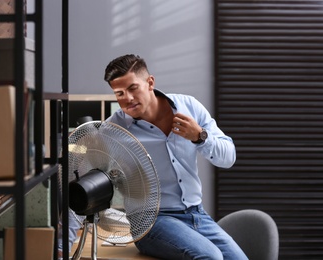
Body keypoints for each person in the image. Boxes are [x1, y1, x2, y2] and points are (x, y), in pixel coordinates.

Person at [104, 54, 248, 260]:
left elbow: (228, 157)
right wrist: (63, 241)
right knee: (211, 257)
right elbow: (83, 178)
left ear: (150, 82)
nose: (127, 99)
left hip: (197, 215)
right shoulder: (114, 129)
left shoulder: (189, 106)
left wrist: (200, 137)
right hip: (151, 222)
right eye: (119, 93)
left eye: (133, 88)